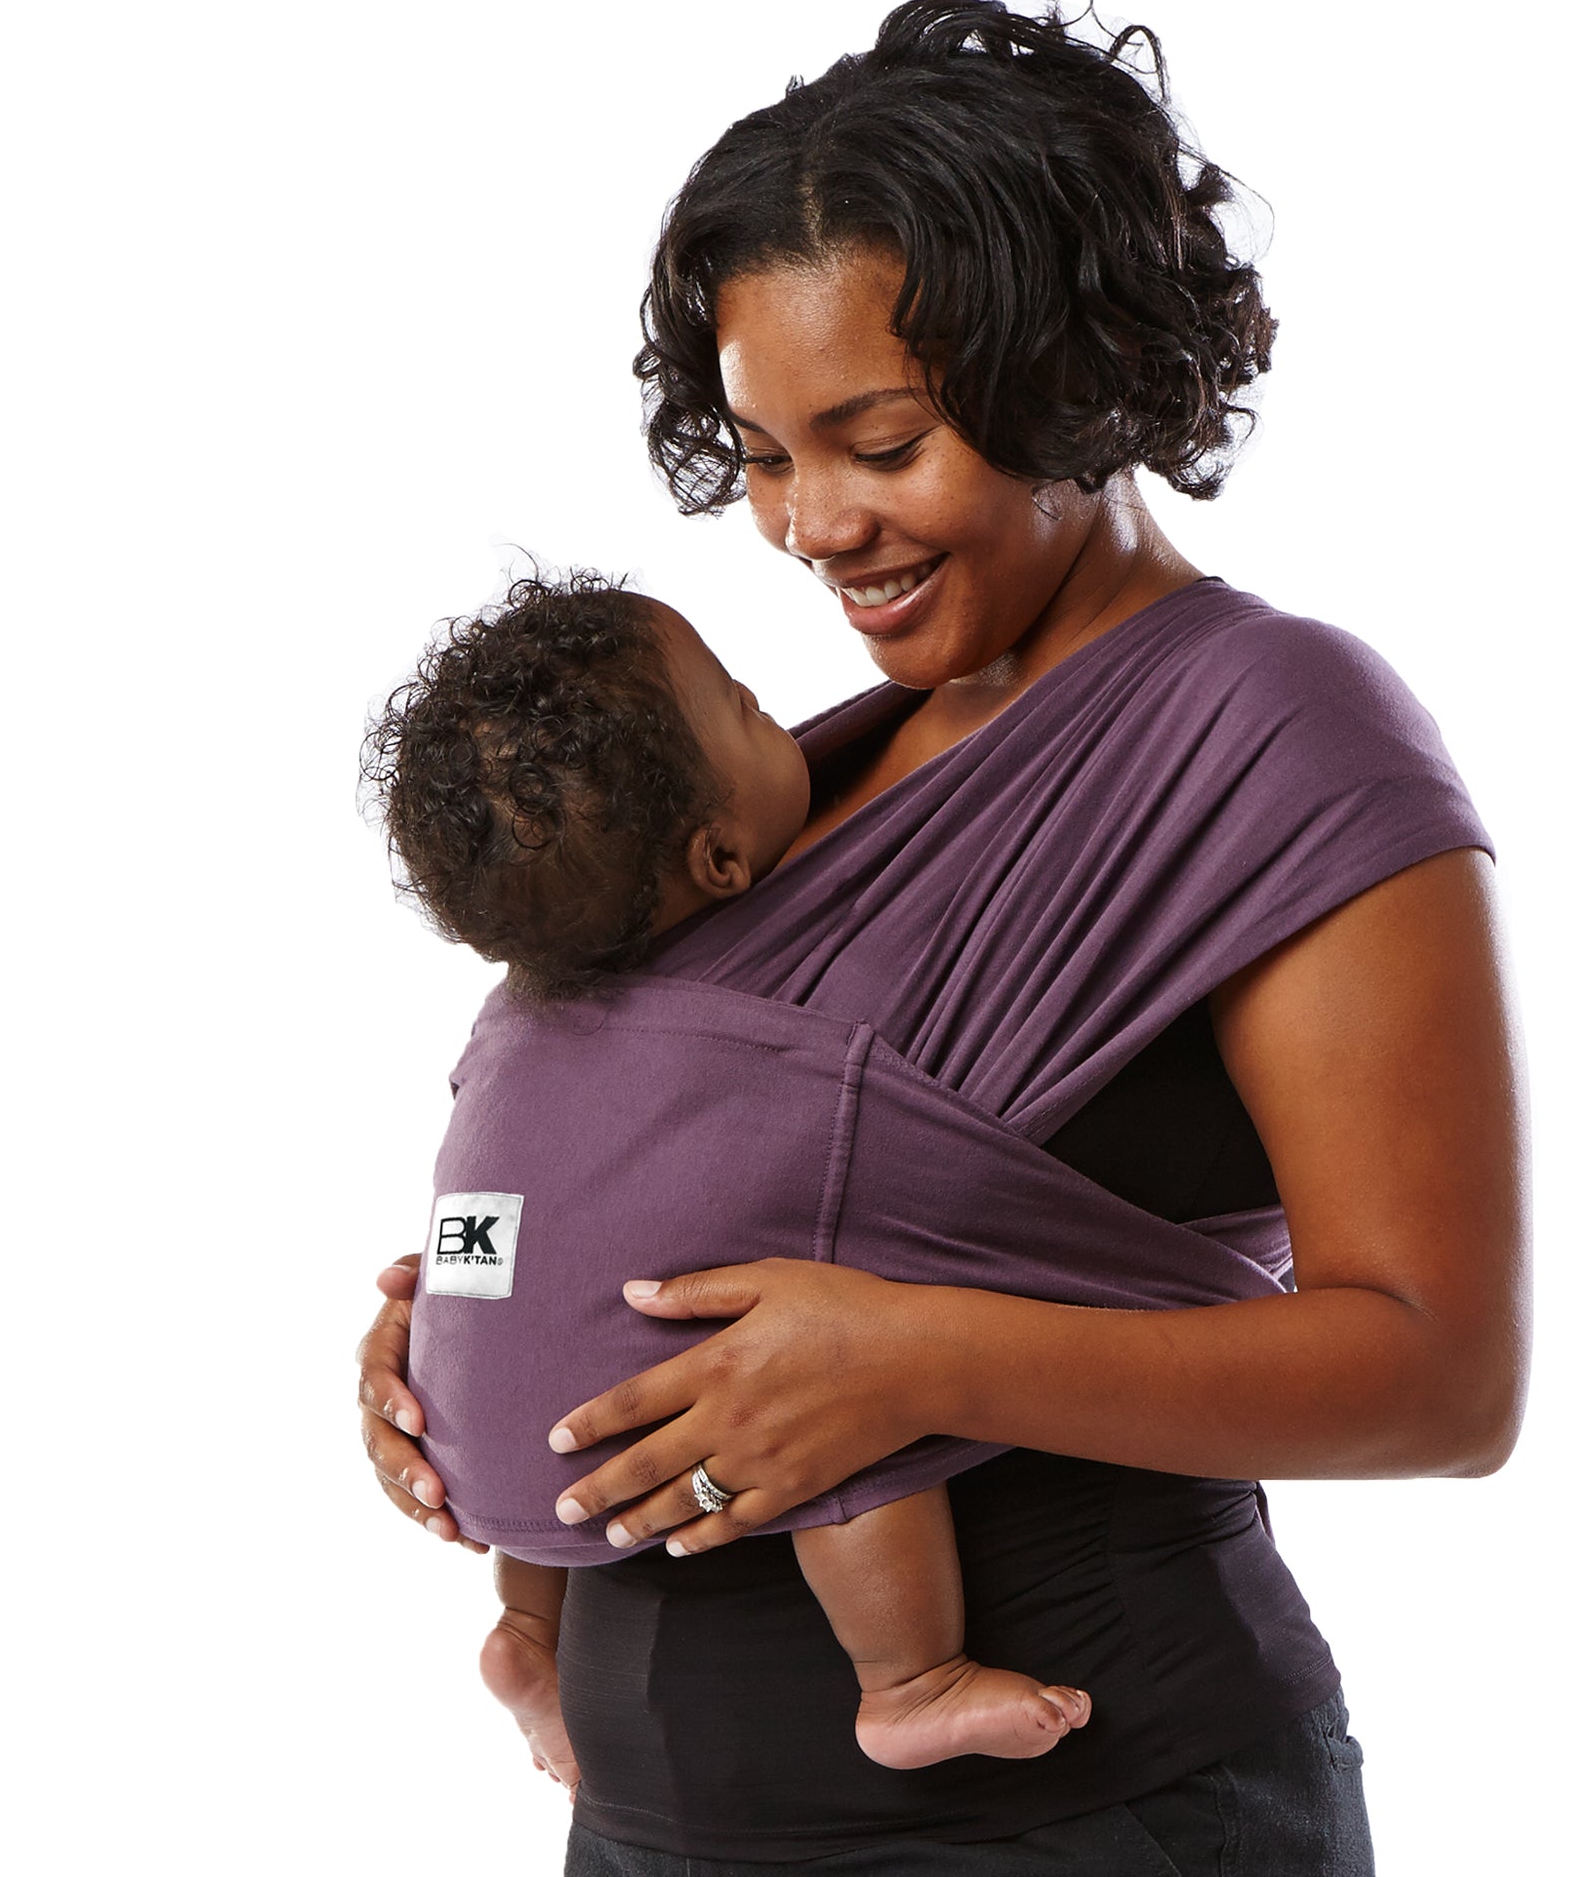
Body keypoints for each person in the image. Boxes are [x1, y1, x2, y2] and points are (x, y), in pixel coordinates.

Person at [356, 0, 1528, 1877]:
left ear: (1070, 373)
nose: (813, 526)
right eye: (757, 455)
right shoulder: (804, 773)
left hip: (1070, 1831)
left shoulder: (1268, 728)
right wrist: (484, 1335)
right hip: (653, 1841)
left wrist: (914, 1361)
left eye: (877, 439)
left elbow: (1442, 1376)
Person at [364, 571, 1097, 1776]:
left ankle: (523, 1631)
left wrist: (441, 1320)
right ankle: (910, 1678)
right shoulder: (757, 1055)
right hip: (638, 1444)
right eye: (751, 708)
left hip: (473, 1425)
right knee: (834, 1389)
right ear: (717, 860)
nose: (778, 715)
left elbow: (475, 1239)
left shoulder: (512, 1025)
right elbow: (870, 1223)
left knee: (565, 1346)